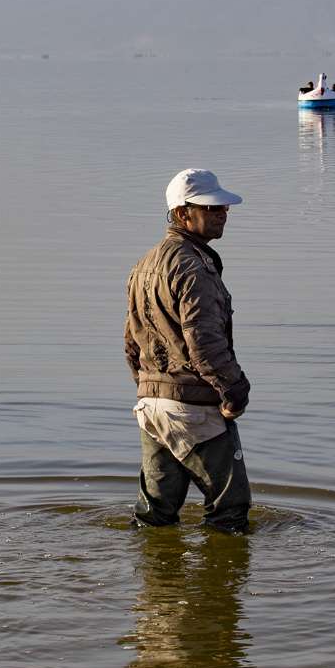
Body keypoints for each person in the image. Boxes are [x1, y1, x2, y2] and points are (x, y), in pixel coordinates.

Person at [124, 169, 252, 533]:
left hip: (151, 407)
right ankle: (221, 589)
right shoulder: (193, 268)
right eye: (212, 209)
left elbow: (131, 341)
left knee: (155, 517)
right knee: (230, 511)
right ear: (182, 214)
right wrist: (234, 391)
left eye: (223, 207)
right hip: (194, 409)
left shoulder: (143, 265)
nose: (222, 213)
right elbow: (205, 343)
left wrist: (149, 387)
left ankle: (156, 588)